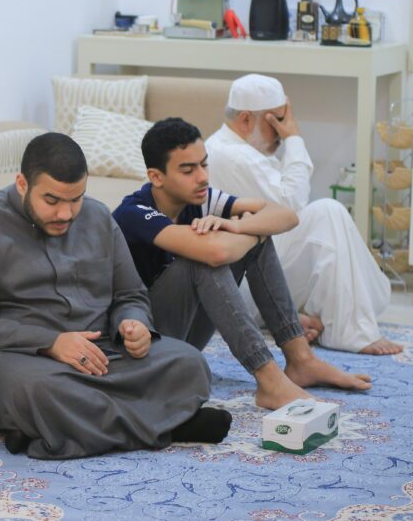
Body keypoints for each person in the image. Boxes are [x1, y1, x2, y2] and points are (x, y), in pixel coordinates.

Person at [0, 133, 232, 459]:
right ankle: (169, 426)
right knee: (42, 393)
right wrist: (50, 342)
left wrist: (133, 323)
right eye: (52, 201)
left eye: (75, 199)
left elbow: (130, 294)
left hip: (100, 353)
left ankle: (61, 428)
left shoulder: (98, 218)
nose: (66, 214)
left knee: (189, 365)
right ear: (22, 184)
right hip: (15, 359)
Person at [113, 118, 371, 410]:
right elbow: (215, 253)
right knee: (203, 262)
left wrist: (237, 226)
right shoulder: (134, 213)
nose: (202, 177)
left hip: (184, 336)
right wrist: (253, 231)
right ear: (156, 177)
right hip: (143, 343)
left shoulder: (201, 200)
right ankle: (269, 380)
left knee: (255, 240)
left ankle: (301, 360)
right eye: (188, 170)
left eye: (204, 164)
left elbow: (286, 215)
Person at [204, 74, 402, 355]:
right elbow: (290, 210)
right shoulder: (233, 156)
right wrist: (294, 137)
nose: (283, 129)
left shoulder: (236, 148)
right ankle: (348, 332)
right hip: (241, 284)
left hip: (252, 275)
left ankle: (317, 316)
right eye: (277, 121)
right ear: (246, 119)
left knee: (329, 217)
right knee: (327, 213)